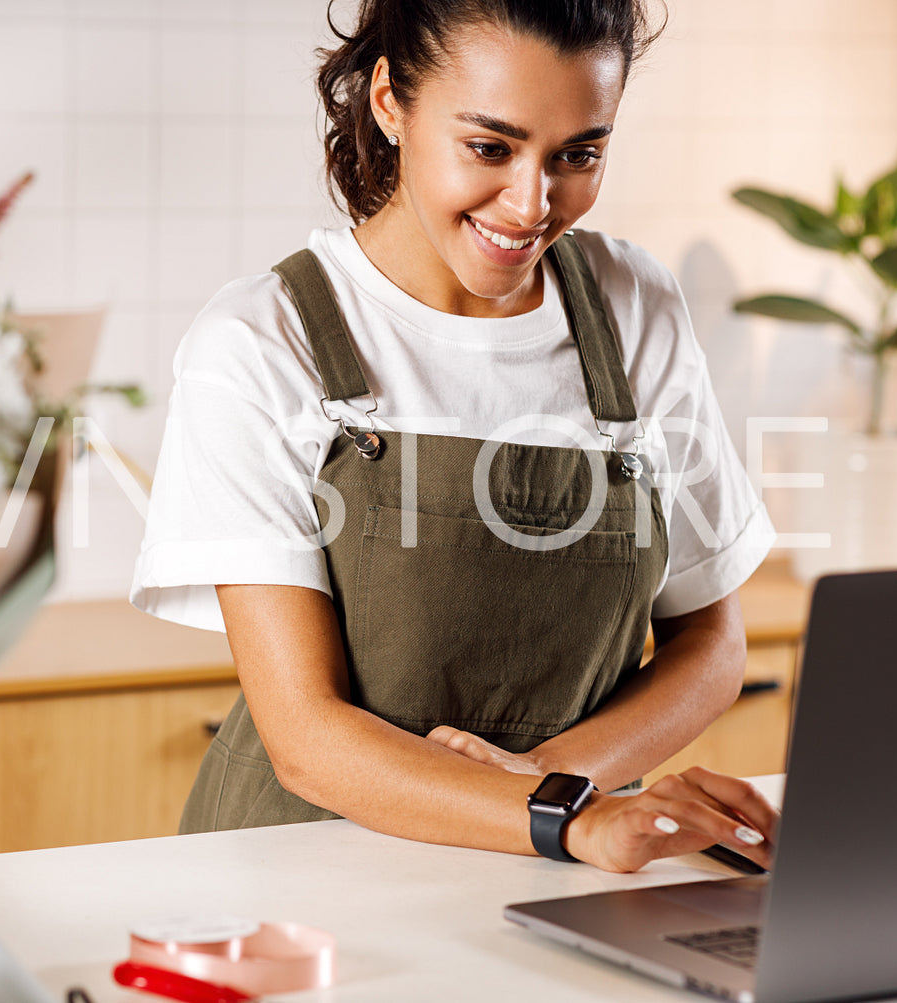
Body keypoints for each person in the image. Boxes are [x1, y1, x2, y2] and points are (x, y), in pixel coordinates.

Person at [131, 0, 780, 874]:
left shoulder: (634, 307)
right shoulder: (260, 340)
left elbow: (710, 646)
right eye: (489, 147)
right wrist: (557, 812)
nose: (531, 202)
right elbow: (306, 738)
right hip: (300, 876)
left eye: (578, 154)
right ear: (391, 100)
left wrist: (551, 793)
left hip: (559, 863)